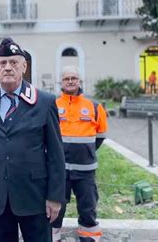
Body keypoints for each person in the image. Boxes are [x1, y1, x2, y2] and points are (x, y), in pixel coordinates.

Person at [0, 38, 65, 242]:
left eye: (14, 62)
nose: (8, 67)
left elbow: (56, 155)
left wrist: (55, 198)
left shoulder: (44, 102)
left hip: (35, 197)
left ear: (24, 66)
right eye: (3, 63)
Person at [52, 66, 108, 242]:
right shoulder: (53, 104)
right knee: (56, 204)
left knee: (87, 205)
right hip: (59, 168)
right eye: (67, 78)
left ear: (79, 81)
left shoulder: (94, 106)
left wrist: (85, 151)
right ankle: (53, 233)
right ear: (61, 82)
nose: (70, 81)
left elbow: (101, 135)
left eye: (73, 78)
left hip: (85, 168)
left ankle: (89, 234)